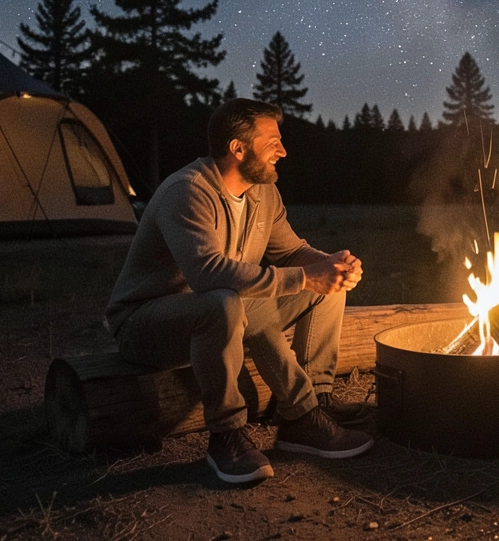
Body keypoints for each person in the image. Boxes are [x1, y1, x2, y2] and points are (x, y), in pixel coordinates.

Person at [106, 98, 374, 484]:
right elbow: (208, 273)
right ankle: (226, 434)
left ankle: (310, 407)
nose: (282, 151)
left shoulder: (261, 192)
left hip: (222, 308)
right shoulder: (187, 192)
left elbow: (292, 251)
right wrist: (305, 276)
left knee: (325, 285)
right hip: (146, 323)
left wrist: (330, 263)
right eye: (272, 143)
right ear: (238, 148)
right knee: (223, 301)